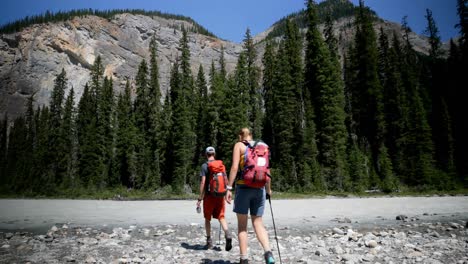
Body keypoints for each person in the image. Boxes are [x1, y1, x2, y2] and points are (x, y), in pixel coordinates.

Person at [226, 128, 275, 264]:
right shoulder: (263, 146)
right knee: (258, 223)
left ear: (240, 135)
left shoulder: (239, 145)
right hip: (259, 189)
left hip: (243, 188)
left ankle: (244, 259)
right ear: (251, 135)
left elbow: (234, 167)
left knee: (242, 226)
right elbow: (268, 171)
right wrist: (268, 190)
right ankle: (268, 253)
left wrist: (229, 188)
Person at [197, 146, 232, 251]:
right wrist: (227, 193)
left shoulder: (205, 166)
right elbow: (225, 180)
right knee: (221, 216)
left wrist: (200, 197)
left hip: (209, 196)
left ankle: (209, 241)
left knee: (207, 219)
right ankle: (227, 233)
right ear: (214, 154)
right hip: (220, 195)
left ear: (206, 154)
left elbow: (203, 182)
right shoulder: (221, 165)